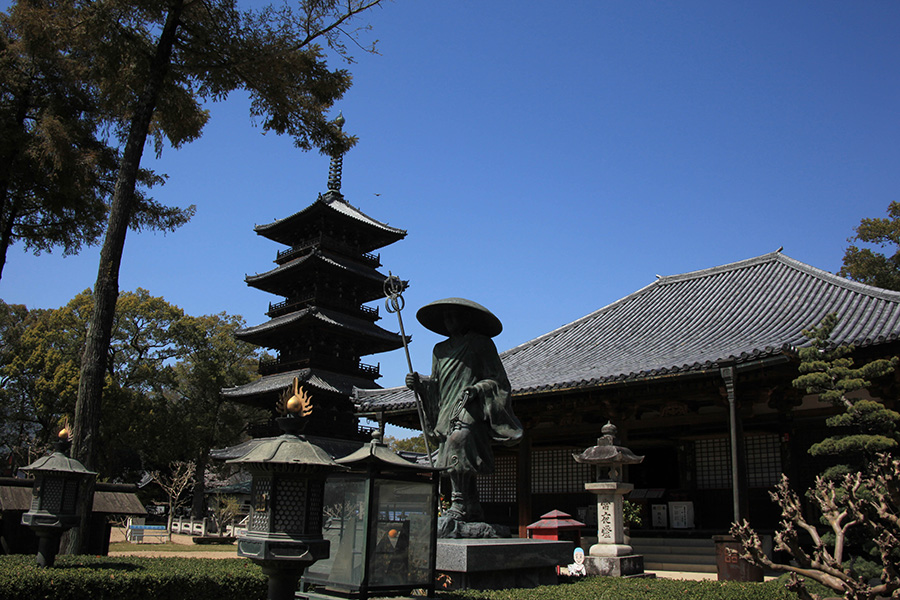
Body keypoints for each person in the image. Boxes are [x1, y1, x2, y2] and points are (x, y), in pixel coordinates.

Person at [406, 297, 522, 522]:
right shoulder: (439, 350)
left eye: (453, 315)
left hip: (471, 406)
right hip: (446, 408)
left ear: (466, 317)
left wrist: (478, 388)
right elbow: (436, 383)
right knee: (449, 453)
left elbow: (498, 380)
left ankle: (458, 503)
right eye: (446, 316)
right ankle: (472, 504)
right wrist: (419, 384)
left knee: (458, 442)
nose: (449, 320)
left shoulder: (481, 343)